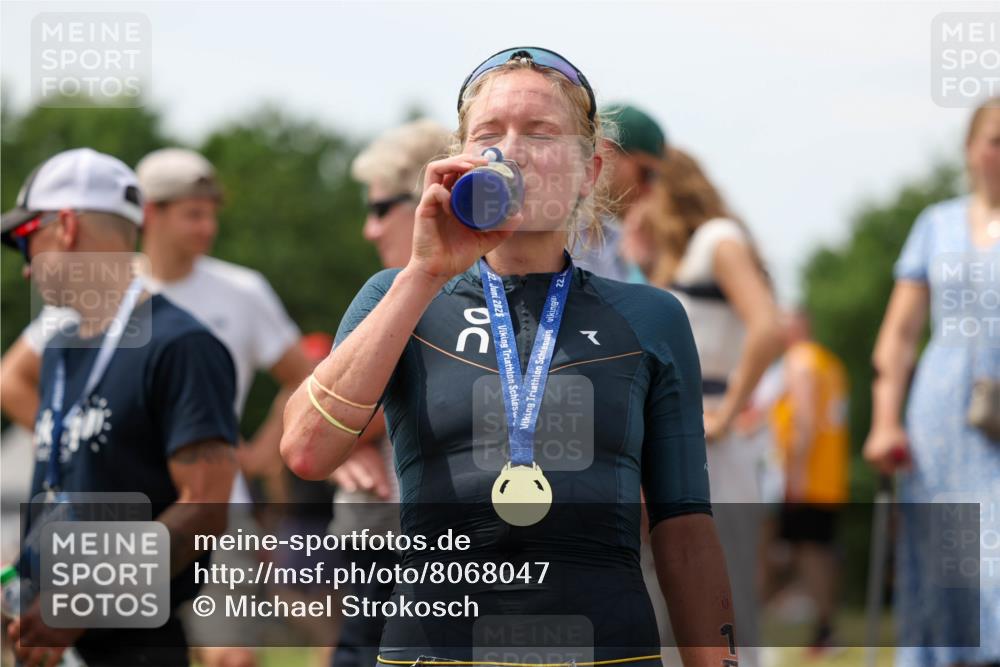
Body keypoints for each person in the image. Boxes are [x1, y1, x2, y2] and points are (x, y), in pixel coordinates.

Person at [281, 46, 738, 666]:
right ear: (458, 158)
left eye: (541, 133)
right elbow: (308, 451)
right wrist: (423, 271)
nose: (511, 150)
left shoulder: (651, 317)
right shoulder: (396, 295)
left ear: (590, 168)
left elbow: (685, 532)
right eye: (489, 133)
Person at [1, 147, 239, 667]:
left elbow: (205, 506)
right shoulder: (62, 347)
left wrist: (81, 601)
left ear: (64, 227)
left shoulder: (182, 345)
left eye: (24, 241)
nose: (23, 269)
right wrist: (20, 578)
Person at [134, 146, 314, 667]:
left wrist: (260, 454)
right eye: (193, 212)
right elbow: (17, 380)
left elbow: (305, 381)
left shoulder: (241, 289)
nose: (208, 225)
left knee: (231, 657)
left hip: (220, 508)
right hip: (128, 504)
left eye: (212, 212)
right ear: (150, 213)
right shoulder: (108, 289)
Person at [627, 147, 784, 666]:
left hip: (712, 436)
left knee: (724, 587)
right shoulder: (675, 261)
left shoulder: (719, 240)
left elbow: (768, 326)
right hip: (672, 437)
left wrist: (730, 406)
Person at [864, 96, 1000, 667]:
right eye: (995, 138)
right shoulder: (935, 225)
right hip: (940, 419)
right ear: (971, 150)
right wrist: (885, 420)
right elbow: (899, 335)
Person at [327, 118, 451, 667]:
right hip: (377, 544)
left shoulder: (468, 294)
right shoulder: (387, 294)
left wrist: (349, 434)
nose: (368, 229)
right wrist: (339, 450)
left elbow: (355, 415)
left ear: (430, 198)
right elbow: (319, 427)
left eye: (381, 209)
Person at [763, 309, 849, 656]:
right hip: (829, 476)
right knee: (817, 552)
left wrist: (794, 476)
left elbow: (805, 419)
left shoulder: (799, 362)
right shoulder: (829, 363)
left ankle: (815, 626)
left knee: (798, 552)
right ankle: (823, 629)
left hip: (807, 476)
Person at [575, 103, 666, 283]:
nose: (650, 188)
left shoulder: (619, 239)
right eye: (647, 173)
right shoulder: (550, 225)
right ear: (607, 150)